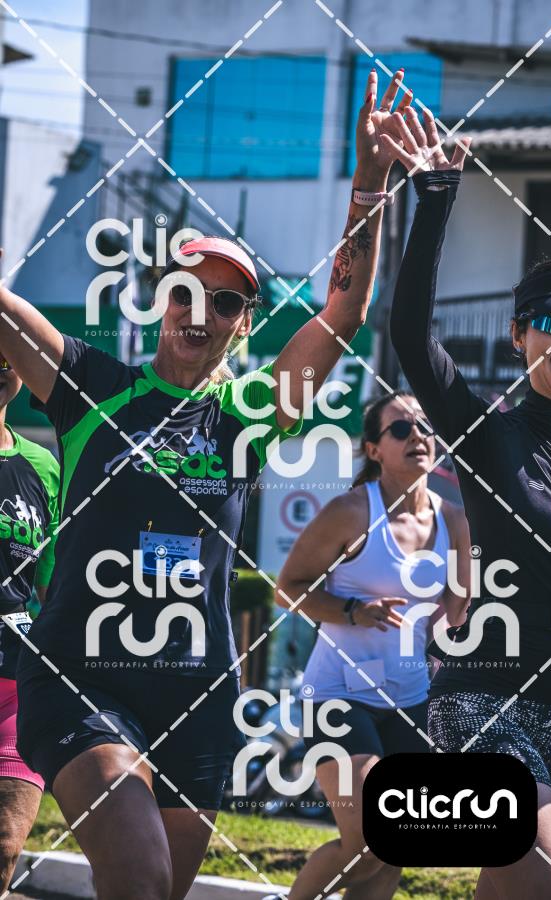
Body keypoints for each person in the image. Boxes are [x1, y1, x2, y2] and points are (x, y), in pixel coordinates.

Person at [0, 69, 410, 900]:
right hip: (81, 676)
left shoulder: (247, 417)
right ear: (161, 299)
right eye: (187, 292)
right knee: (140, 876)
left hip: (197, 690)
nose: (202, 312)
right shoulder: (93, 387)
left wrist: (368, 186)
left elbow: (342, 315)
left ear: (244, 324)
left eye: (226, 303)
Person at [387, 104, 551, 898]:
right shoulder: (486, 431)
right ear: (519, 336)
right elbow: (411, 337)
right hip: (486, 697)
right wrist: (436, 198)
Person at [274, 392, 469, 900]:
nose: (417, 436)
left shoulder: (454, 520)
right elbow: (287, 588)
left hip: (410, 699)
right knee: (365, 843)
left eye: (424, 425)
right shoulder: (352, 511)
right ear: (374, 450)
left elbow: (458, 611)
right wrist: (352, 611)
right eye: (400, 429)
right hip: (337, 695)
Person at [0, 354, 58, 892]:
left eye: (7, 354)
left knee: (4, 843)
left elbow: (50, 586)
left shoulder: (42, 464)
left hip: (16, 684)